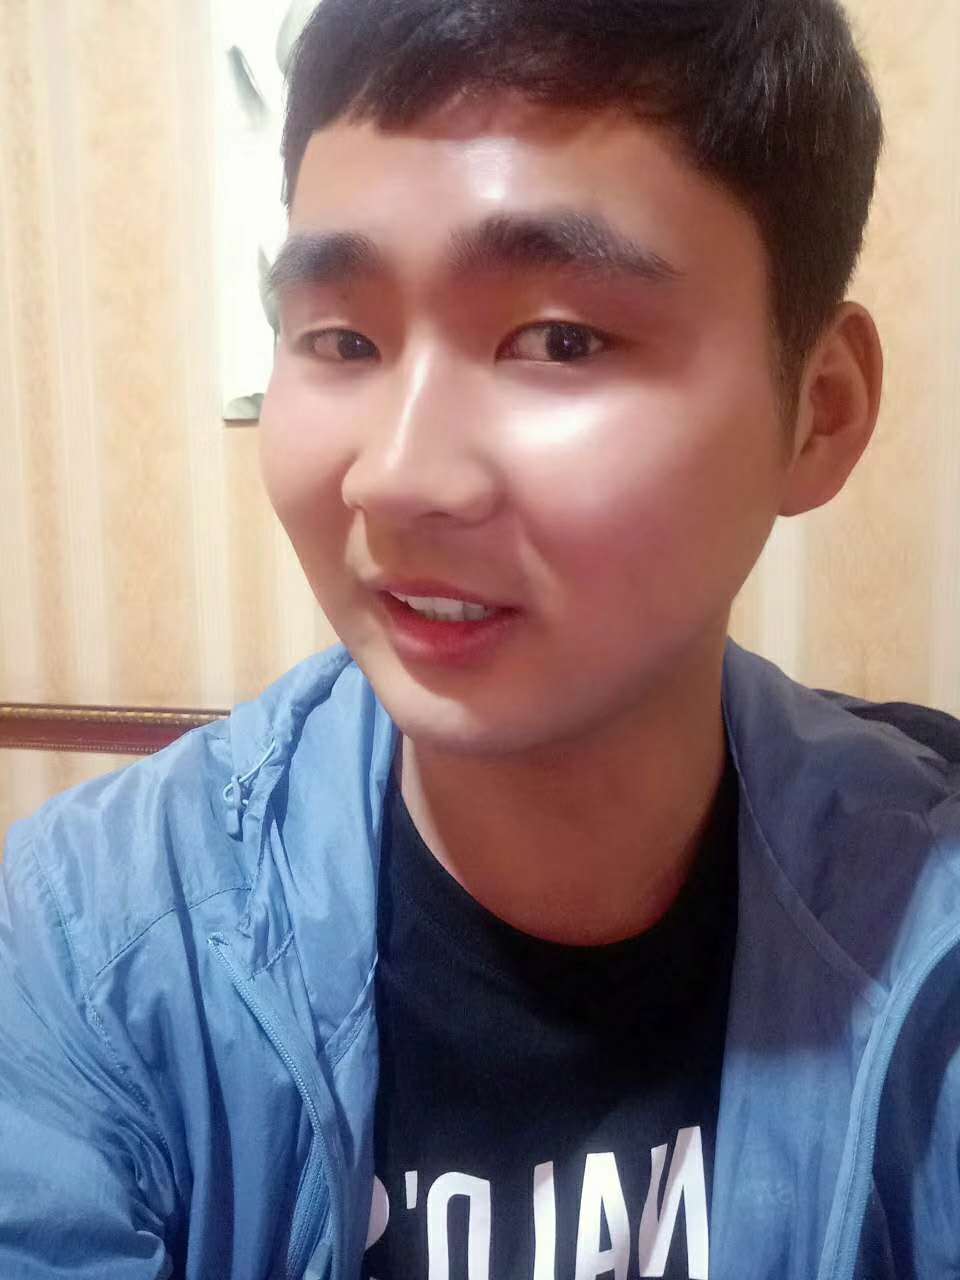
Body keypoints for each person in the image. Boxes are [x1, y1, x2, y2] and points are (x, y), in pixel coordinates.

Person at [1, 1, 958, 1276]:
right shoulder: (94, 942)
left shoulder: (928, 926)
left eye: (559, 339)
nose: (395, 477)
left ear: (819, 410)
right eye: (343, 339)